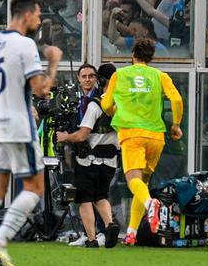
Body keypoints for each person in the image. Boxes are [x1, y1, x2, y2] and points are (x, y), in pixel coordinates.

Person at [0, 0, 62, 266]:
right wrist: (54, 62)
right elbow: (41, 89)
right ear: (26, 14)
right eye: (37, 14)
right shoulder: (25, 45)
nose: (39, 19)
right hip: (18, 126)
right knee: (35, 188)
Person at [100, 39, 184, 246]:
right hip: (155, 136)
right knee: (142, 185)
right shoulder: (160, 76)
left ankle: (150, 205)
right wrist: (176, 125)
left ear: (132, 55)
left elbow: (106, 103)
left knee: (133, 181)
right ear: (151, 57)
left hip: (131, 134)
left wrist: (113, 112)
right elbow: (177, 100)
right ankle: (131, 233)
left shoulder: (119, 75)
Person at [55, 63, 121, 248]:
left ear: (99, 79)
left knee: (84, 198)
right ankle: (109, 225)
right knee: (101, 195)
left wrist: (66, 137)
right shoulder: (122, 103)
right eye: (84, 76)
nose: (88, 79)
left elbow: (83, 134)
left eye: (92, 76)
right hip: (110, 158)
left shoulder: (96, 104)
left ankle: (91, 239)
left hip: (88, 157)